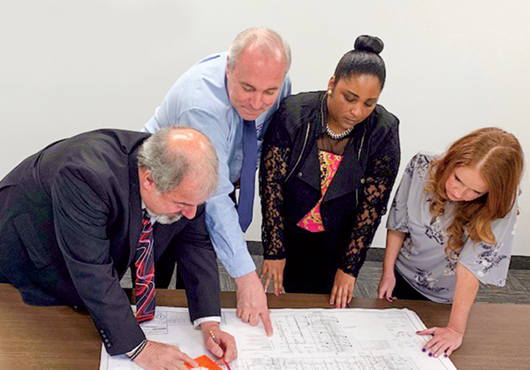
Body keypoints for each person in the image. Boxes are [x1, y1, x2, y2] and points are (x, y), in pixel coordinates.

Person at [0, 127, 237, 370]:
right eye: (182, 204)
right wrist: (140, 348)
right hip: (28, 242)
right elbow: (92, 268)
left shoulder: (182, 180)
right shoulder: (87, 176)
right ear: (149, 181)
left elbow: (195, 243)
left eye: (196, 204)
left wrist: (209, 323)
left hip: (77, 235)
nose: (191, 213)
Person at [143, 27, 292, 335]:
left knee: (199, 267)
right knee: (155, 268)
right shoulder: (202, 104)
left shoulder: (278, 83)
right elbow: (214, 195)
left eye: (269, 91)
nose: (257, 102)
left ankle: (200, 322)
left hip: (217, 182)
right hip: (167, 184)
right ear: (228, 69)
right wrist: (246, 278)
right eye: (247, 88)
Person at [259, 35, 400, 308]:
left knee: (329, 309)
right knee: (282, 307)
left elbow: (372, 207)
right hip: (290, 233)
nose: (357, 111)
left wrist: (349, 267)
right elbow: (271, 187)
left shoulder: (383, 130)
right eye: (350, 98)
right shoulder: (294, 113)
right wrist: (274, 250)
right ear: (332, 84)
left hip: (340, 239)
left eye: (369, 103)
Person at [377, 127, 524, 358]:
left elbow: (471, 265)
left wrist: (455, 329)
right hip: (402, 274)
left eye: (475, 191)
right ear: (451, 161)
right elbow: (399, 221)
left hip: (447, 296)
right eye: (457, 178)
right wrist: (387, 272)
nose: (459, 191)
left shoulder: (501, 203)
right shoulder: (422, 165)